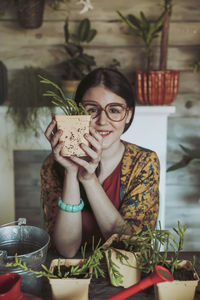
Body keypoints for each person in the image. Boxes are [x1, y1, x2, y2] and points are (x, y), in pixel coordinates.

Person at [41, 67, 160, 258]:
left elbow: (130, 246)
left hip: (125, 272)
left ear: (128, 114)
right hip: (76, 274)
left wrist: (89, 180)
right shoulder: (53, 165)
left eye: (114, 110)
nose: (103, 121)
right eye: (92, 110)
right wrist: (71, 173)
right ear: (77, 113)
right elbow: (67, 250)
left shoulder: (144, 163)